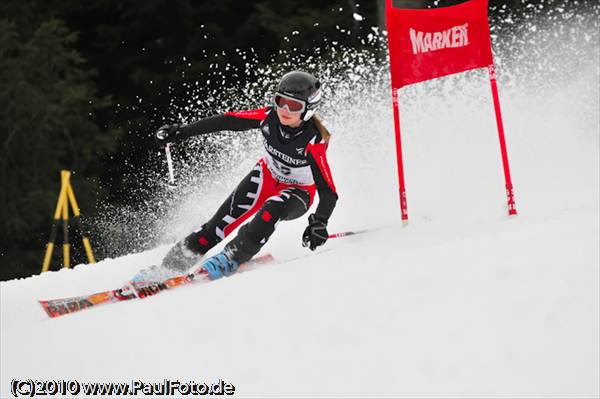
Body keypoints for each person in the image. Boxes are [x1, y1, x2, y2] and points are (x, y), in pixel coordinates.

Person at [154, 71, 338, 280]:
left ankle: (231, 257)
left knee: (271, 210)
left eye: (294, 106)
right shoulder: (269, 117)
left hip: (298, 193)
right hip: (265, 177)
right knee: (216, 227)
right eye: (281, 101)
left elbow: (328, 191)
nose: (285, 110)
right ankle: (169, 267)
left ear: (308, 109)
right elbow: (227, 121)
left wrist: (319, 222)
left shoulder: (314, 141)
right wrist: (181, 132)